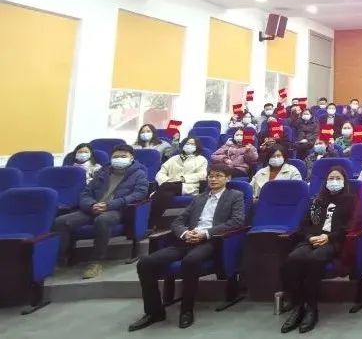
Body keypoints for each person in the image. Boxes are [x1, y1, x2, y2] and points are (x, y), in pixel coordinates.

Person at [129, 164, 245, 331]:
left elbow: (237, 221)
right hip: (187, 240)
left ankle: (186, 310)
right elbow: (177, 222)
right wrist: (185, 233)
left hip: (211, 241)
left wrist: (205, 233)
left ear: (228, 178)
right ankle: (154, 312)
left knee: (190, 261)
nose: (213, 179)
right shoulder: (198, 198)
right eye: (211, 176)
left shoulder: (235, 196)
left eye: (218, 176)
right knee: (144, 263)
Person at [279, 166, 357, 334]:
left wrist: (329, 237)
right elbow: (305, 224)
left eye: (338, 178)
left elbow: (349, 226)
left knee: (313, 260)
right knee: (293, 259)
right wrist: (309, 238)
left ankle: (312, 309)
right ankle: (298, 307)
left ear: (344, 181)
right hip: (312, 239)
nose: (334, 181)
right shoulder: (317, 200)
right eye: (331, 178)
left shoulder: (350, 200)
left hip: (334, 241)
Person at [53, 144, 149, 279]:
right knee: (61, 222)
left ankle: (96, 261)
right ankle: (62, 258)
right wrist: (92, 205)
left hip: (117, 210)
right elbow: (86, 193)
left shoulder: (139, 174)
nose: (119, 159)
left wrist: (109, 205)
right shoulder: (103, 172)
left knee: (102, 220)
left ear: (131, 158)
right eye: (116, 156)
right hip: (93, 208)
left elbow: (139, 194)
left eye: (123, 156)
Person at [152, 137, 209, 225]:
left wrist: (182, 179)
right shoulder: (174, 158)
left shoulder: (201, 159)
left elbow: (202, 175)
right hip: (168, 186)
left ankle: (151, 222)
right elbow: (160, 173)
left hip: (189, 186)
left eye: (192, 144)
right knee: (167, 195)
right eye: (187, 143)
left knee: (160, 192)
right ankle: (161, 223)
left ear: (197, 146)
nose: (189, 146)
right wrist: (166, 181)